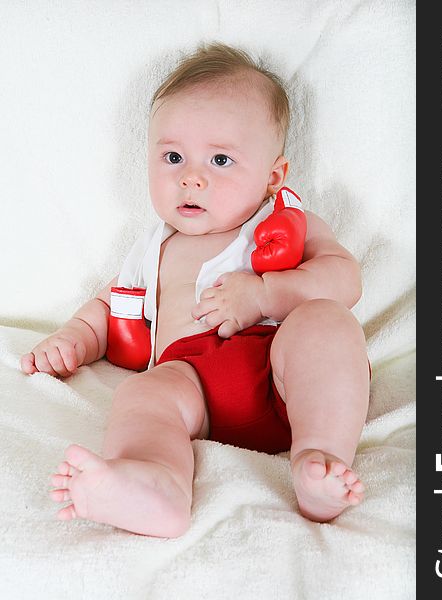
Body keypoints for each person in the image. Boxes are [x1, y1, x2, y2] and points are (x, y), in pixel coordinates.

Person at [20, 43, 370, 538]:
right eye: (173, 156)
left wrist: (267, 294)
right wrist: (75, 337)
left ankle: (319, 458)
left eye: (221, 159)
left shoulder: (284, 223)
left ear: (273, 176)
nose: (191, 177)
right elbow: (112, 304)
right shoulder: (152, 247)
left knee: (328, 323)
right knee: (144, 393)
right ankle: (153, 486)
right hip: (193, 384)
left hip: (283, 370)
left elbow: (344, 279)